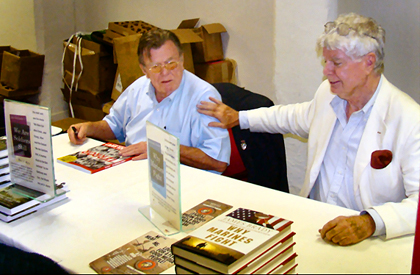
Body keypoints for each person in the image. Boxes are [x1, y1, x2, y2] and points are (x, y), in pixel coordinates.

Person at [197, 13, 420, 245]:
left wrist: (370, 222)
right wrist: (239, 118)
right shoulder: (328, 94)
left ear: (369, 62)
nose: (326, 71)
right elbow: (292, 116)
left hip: (369, 240)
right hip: (317, 228)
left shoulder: (410, 120)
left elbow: (418, 203)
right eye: (326, 62)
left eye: (337, 63)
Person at [68, 29, 230, 173]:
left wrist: (161, 148)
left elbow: (218, 162)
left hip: (181, 183)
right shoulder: (138, 88)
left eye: (171, 63)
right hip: (134, 174)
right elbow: (113, 126)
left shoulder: (203, 96)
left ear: (182, 61)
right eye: (156, 67)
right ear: (144, 70)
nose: (165, 73)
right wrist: (88, 128)